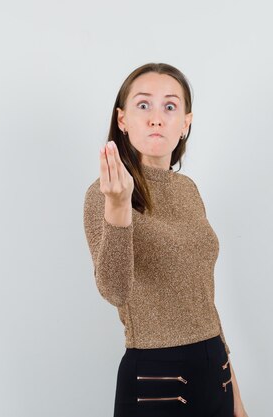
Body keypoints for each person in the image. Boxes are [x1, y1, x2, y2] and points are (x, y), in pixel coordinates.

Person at [83, 62, 249, 417]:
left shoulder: (187, 190)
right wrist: (118, 206)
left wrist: (235, 396)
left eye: (170, 106)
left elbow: (204, 302)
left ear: (186, 122)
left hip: (216, 371)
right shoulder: (104, 193)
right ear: (123, 119)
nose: (156, 118)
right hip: (158, 382)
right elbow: (114, 290)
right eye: (143, 105)